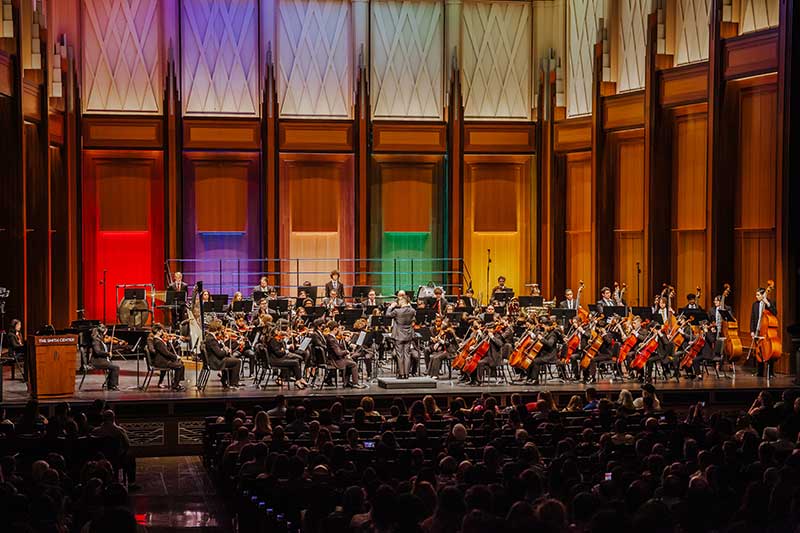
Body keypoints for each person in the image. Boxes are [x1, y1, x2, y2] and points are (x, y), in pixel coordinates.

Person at [91, 410, 137, 488]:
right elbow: (127, 445)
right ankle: (131, 483)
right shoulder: (119, 431)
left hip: (100, 460)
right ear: (113, 418)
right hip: (117, 460)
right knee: (131, 456)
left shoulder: (95, 431)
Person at [385, 296, 418, 379]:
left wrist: (391, 307)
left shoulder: (397, 311)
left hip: (399, 335)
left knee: (400, 355)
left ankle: (401, 374)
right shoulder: (412, 311)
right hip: (408, 334)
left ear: (402, 302)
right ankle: (407, 374)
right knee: (407, 354)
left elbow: (387, 315)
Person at [204, 320, 242, 389]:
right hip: (216, 362)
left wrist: (223, 348)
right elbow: (220, 354)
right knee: (237, 361)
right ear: (216, 330)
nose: (220, 332)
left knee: (232, 359)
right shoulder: (211, 339)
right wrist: (226, 351)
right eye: (220, 330)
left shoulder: (209, 337)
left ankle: (226, 380)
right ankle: (234, 383)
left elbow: (217, 350)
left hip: (214, 360)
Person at [750, 287, 778, 378]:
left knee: (769, 350)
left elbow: (775, 313)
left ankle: (770, 372)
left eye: (758, 295)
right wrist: (752, 331)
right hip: (758, 331)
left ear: (763, 295)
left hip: (766, 332)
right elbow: (753, 319)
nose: (756, 296)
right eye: (756, 294)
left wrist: (767, 303)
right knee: (759, 351)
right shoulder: (755, 304)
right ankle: (760, 372)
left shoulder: (770, 303)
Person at [148, 324, 186, 391]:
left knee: (181, 364)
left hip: (163, 360)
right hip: (161, 362)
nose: (162, 332)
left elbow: (166, 350)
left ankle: (176, 383)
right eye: (161, 331)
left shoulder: (158, 340)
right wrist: (175, 357)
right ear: (158, 331)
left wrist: (171, 343)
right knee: (179, 366)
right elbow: (166, 353)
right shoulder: (157, 341)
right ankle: (175, 385)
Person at [90, 325, 121, 390]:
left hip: (102, 360)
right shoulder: (96, 340)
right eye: (105, 332)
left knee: (112, 366)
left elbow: (107, 348)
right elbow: (97, 352)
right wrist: (107, 354)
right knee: (115, 367)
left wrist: (119, 345)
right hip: (97, 361)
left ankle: (110, 385)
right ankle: (113, 386)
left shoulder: (101, 340)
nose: (106, 334)